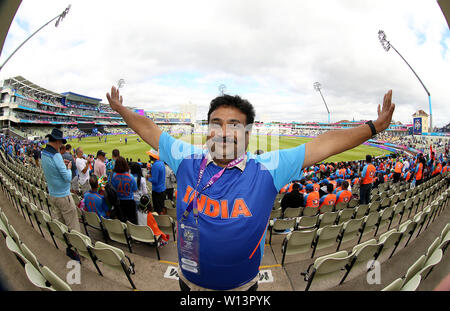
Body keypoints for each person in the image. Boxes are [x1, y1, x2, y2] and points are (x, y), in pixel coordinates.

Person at [106, 86, 395, 291]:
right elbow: (149, 129)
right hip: (189, 281)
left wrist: (374, 127)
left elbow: (326, 143)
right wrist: (121, 110)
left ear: (247, 133)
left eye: (234, 125)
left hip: (243, 287)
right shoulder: (185, 158)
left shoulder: (269, 167)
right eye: (216, 123)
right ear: (207, 129)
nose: (223, 131)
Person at [40, 128, 80, 261]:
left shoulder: (44, 153)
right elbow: (67, 178)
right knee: (72, 225)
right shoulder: (56, 155)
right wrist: (67, 168)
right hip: (63, 196)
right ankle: (75, 251)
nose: (61, 145)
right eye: (60, 142)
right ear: (57, 141)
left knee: (62, 224)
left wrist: (62, 166)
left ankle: (68, 247)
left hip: (53, 194)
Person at [110, 156, 138, 223]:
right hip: (129, 202)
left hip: (119, 202)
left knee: (122, 221)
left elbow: (114, 188)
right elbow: (135, 189)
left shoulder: (114, 176)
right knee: (132, 222)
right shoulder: (130, 177)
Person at [148, 150, 166, 214]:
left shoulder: (156, 165)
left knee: (158, 210)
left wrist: (148, 178)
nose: (149, 156)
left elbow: (155, 181)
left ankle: (160, 222)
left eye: (150, 155)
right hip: (162, 189)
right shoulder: (161, 163)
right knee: (161, 207)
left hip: (157, 191)